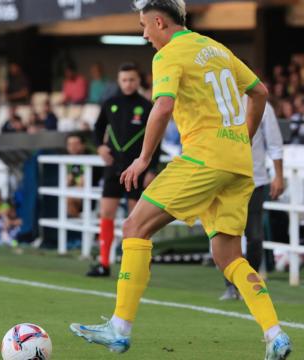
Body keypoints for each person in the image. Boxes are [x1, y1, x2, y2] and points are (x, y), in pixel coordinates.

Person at [69, 2, 292, 359]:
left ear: (160, 21)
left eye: (144, 26)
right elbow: (261, 92)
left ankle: (119, 328)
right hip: (238, 163)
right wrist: (244, 137)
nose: (144, 35)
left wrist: (143, 159)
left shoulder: (169, 53)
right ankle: (275, 333)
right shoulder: (216, 48)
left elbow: (162, 106)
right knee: (229, 255)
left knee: (134, 226)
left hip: (203, 157)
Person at [87, 63, 158, 277]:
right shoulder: (110, 104)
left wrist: (151, 168)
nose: (128, 84)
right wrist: (100, 146)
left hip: (137, 170)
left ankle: (135, 266)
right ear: (119, 81)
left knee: (137, 220)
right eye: (124, 80)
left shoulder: (147, 106)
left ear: (139, 81)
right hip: (113, 167)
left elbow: (157, 139)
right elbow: (98, 128)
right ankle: (104, 263)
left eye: (132, 80)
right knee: (106, 213)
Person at [220, 98, 284, 300]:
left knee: (255, 236)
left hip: (255, 180)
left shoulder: (261, 105)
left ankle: (248, 283)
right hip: (223, 180)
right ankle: (231, 285)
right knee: (227, 234)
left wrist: (279, 175)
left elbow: (274, 143)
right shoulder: (217, 101)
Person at [65, 134, 86, 218]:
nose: (73, 147)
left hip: (88, 196)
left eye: (76, 144)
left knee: (69, 199)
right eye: (70, 144)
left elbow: (82, 183)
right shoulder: (64, 162)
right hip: (73, 193)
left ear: (83, 145)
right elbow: (66, 182)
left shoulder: (90, 161)